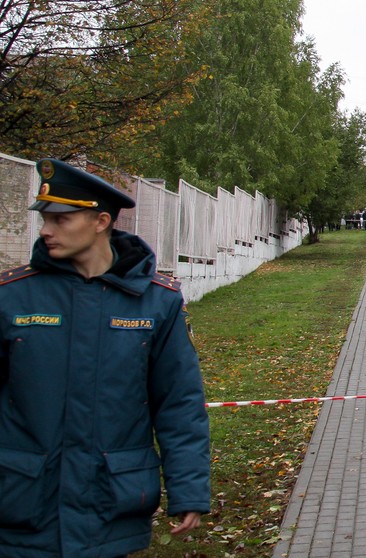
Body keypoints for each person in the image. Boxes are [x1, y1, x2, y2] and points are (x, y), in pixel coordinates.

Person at [0, 159, 211, 556]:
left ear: (100, 222)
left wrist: (188, 488)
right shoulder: (11, 297)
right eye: (44, 217)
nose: (46, 229)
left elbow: (178, 403)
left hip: (110, 506)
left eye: (61, 219)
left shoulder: (156, 301)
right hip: (20, 505)